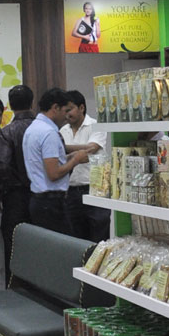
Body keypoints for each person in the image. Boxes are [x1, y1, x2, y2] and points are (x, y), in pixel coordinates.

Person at [23, 88, 91, 234]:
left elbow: (44, 163)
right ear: (55, 108)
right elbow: (53, 174)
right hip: (51, 204)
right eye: (65, 111)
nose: (66, 116)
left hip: (39, 200)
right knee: (61, 246)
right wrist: (76, 160)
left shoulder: (33, 128)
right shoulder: (48, 133)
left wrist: (68, 158)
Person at [0, 84, 36, 284]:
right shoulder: (43, 129)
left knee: (13, 247)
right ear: (32, 102)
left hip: (15, 198)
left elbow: (2, 165)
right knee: (40, 246)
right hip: (41, 197)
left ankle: (14, 290)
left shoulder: (7, 132)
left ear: (10, 105)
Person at [59, 90, 109, 242]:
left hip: (95, 190)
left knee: (98, 238)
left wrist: (62, 147)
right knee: (75, 240)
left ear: (81, 108)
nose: (67, 114)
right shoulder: (62, 131)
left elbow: (91, 148)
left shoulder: (96, 125)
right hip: (71, 192)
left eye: (69, 109)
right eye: (64, 111)